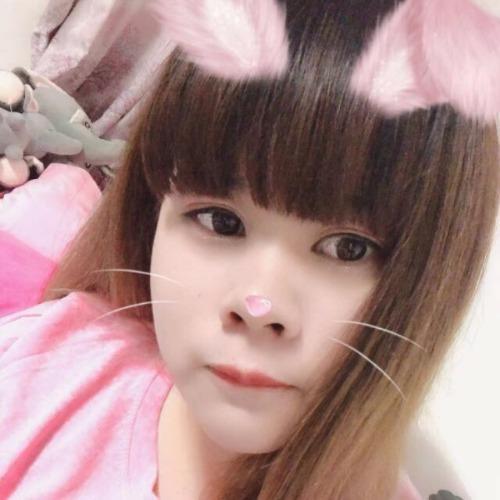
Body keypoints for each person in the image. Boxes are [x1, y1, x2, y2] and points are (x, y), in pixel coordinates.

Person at [1, 0, 499, 498]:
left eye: (348, 248)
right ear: (151, 214)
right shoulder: (41, 364)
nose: (259, 306)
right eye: (221, 222)